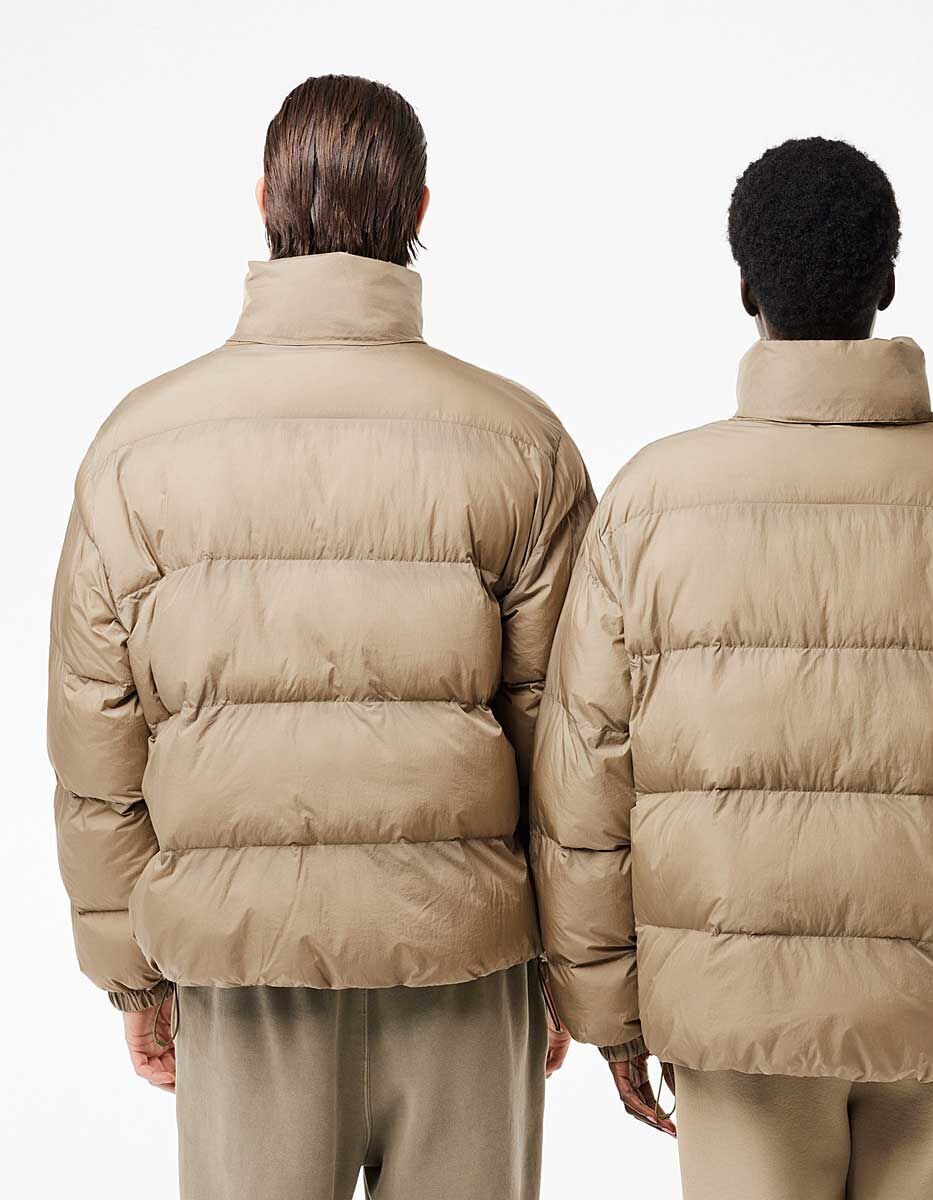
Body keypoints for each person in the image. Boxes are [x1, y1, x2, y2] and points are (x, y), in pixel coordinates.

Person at [530, 137, 933, 1199]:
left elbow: (587, 781)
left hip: (734, 1006)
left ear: (745, 288)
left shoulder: (655, 503)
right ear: (888, 280)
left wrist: (608, 1010)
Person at [47, 74, 586, 1200]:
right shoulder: (520, 444)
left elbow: (98, 740)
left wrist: (134, 978)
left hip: (242, 973)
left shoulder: (140, 448)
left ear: (263, 200)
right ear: (420, 210)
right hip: (466, 961)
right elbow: (572, 743)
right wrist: (571, 967)